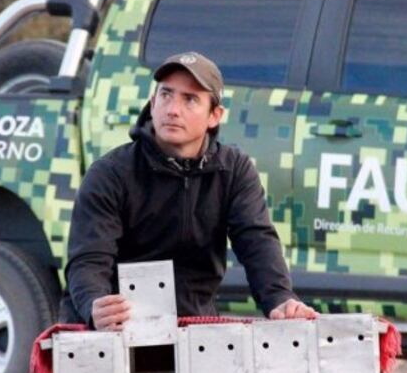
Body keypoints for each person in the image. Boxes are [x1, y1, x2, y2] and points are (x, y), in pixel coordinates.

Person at [59, 51, 317, 329]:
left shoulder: (234, 170)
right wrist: (94, 305)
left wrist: (280, 299)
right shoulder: (110, 173)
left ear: (214, 116)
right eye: (166, 95)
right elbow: (89, 259)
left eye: (190, 99)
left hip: (194, 326)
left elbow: (257, 241)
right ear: (152, 103)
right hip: (112, 328)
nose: (173, 109)